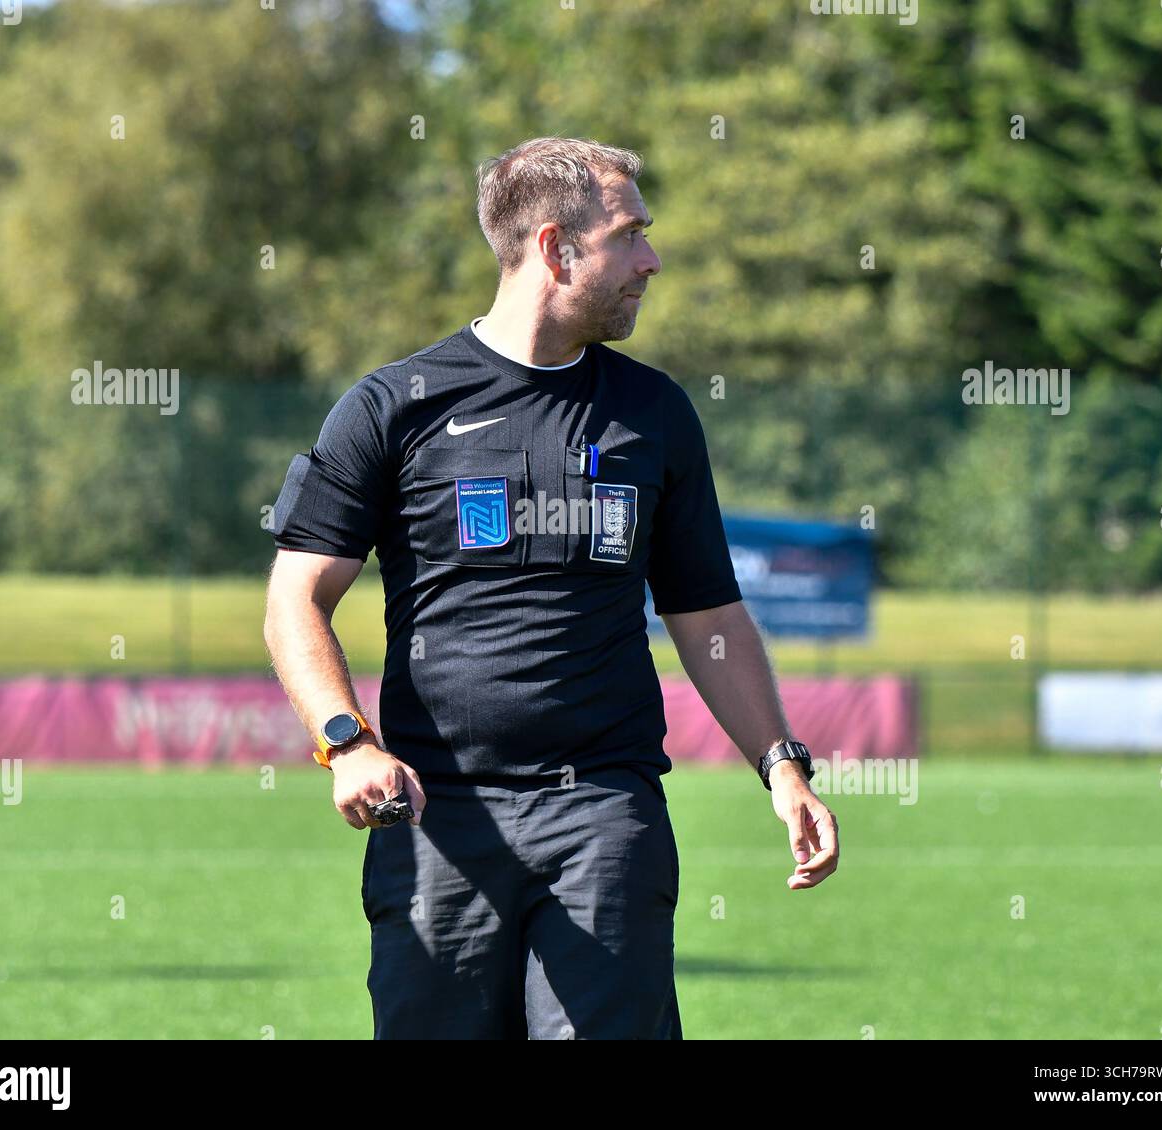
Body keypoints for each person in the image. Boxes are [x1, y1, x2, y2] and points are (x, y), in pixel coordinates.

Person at [263, 136, 839, 1040]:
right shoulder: (391, 407)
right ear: (554, 247)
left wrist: (782, 764)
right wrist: (347, 744)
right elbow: (296, 598)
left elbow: (709, 616)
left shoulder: (656, 414)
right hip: (435, 820)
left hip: (605, 814)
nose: (653, 259)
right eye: (630, 235)